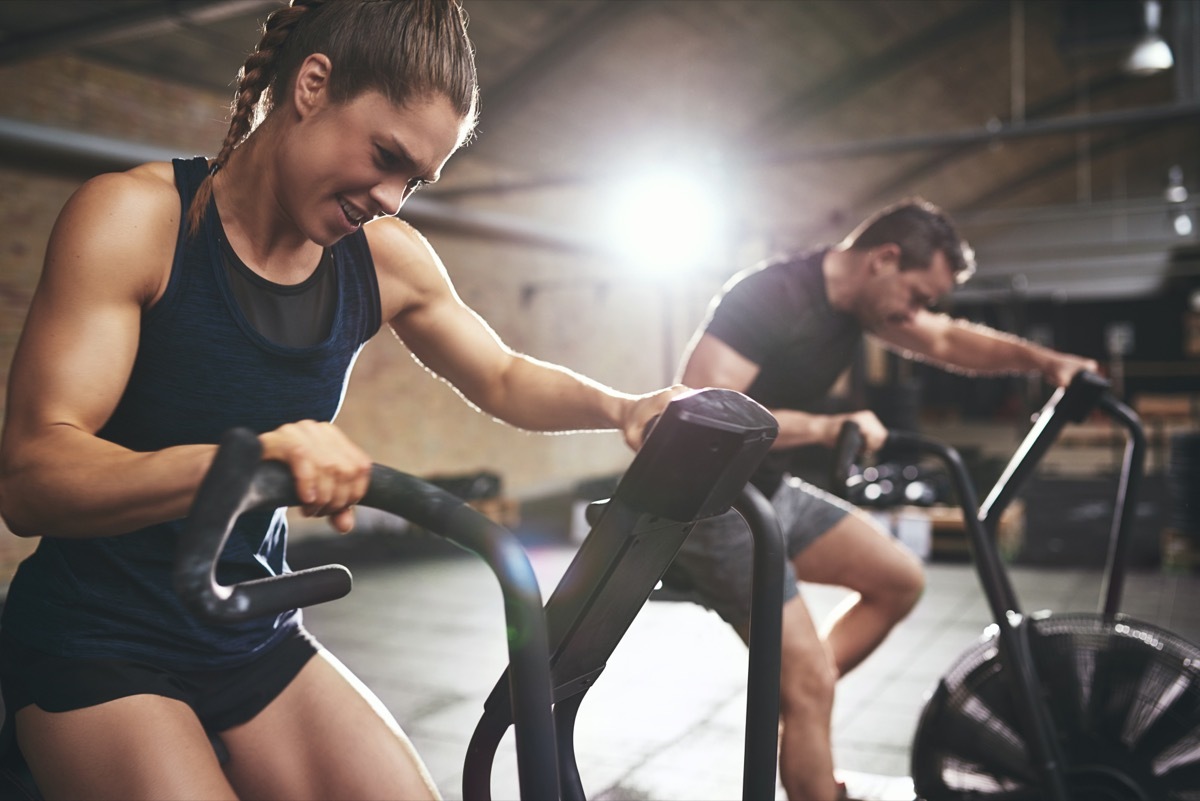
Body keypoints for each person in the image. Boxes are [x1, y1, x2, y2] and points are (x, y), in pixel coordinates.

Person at [0, 1, 683, 798]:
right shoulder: (137, 221)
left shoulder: (384, 261)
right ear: (313, 85)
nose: (392, 198)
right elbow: (32, 476)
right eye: (386, 156)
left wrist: (624, 407)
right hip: (97, 637)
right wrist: (246, 462)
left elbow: (501, 375)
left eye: (415, 180)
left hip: (250, 627)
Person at [672, 198, 1098, 801]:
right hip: (710, 504)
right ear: (884, 260)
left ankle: (801, 688)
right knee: (808, 680)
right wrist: (824, 427)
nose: (916, 313)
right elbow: (700, 414)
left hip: (768, 489)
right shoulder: (771, 296)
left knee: (898, 579)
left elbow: (945, 339)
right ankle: (805, 700)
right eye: (917, 296)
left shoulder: (860, 305)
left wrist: (1047, 362)